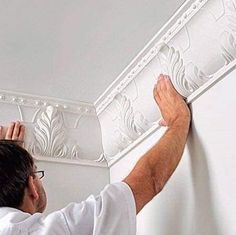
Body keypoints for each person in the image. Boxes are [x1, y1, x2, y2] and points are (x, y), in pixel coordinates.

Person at [0, 74, 191, 235]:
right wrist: (178, 120)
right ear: (32, 187)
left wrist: (14, 163)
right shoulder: (58, 228)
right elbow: (149, 180)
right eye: (37, 174)